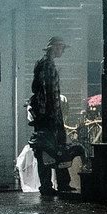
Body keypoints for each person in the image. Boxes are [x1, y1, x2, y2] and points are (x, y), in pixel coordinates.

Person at [28, 36, 85, 197]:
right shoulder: (47, 66)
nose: (63, 51)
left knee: (56, 148)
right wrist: (50, 115)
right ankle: (49, 185)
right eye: (61, 48)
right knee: (48, 149)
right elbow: (48, 93)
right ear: (54, 49)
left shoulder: (45, 65)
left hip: (49, 114)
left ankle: (61, 183)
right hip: (48, 115)